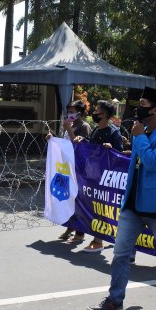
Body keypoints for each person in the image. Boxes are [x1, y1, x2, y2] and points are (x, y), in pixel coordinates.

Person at [87, 87, 156, 310]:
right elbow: (138, 162)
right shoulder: (139, 131)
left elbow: (153, 162)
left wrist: (140, 138)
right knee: (121, 252)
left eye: (143, 105)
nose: (138, 109)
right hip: (132, 202)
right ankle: (115, 299)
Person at [71, 100, 124, 252]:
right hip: (93, 174)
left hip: (105, 177)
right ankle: (104, 237)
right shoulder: (96, 130)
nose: (94, 114)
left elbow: (119, 155)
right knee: (95, 207)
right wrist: (84, 140)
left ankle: (98, 241)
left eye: (97, 112)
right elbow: (93, 146)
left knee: (102, 208)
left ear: (106, 115)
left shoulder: (114, 132)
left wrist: (111, 148)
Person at [57, 100, 93, 242]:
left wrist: (70, 130)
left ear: (80, 112)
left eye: (73, 111)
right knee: (69, 198)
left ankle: (80, 232)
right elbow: (65, 143)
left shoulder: (84, 126)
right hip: (67, 167)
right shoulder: (68, 124)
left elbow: (82, 147)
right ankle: (70, 226)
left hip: (79, 167)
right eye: (69, 111)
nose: (70, 114)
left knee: (79, 200)